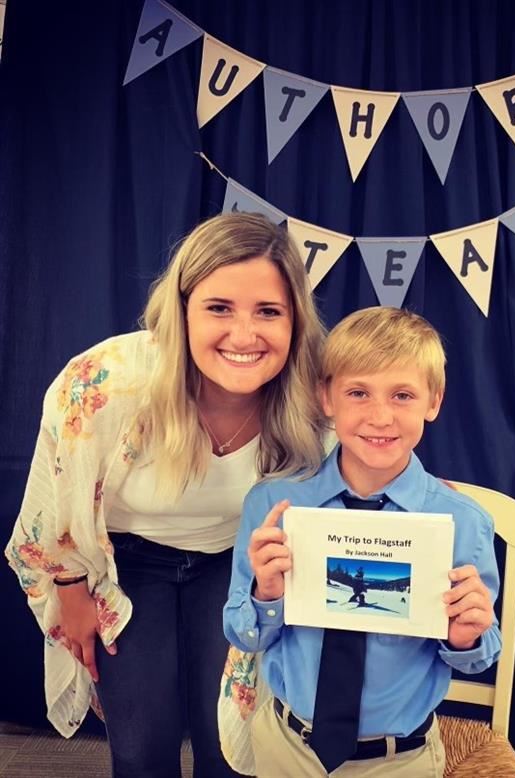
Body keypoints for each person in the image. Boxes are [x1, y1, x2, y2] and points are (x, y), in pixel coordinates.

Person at [5, 212, 327, 778]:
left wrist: (417, 495)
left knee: (230, 744)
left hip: (235, 562)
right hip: (127, 562)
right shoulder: (105, 383)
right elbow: (56, 499)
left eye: (269, 312)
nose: (245, 335)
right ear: (180, 311)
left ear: (295, 320)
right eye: (219, 308)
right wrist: (70, 589)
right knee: (141, 746)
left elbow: (373, 454)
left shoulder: (312, 395)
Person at [223, 306, 502, 777]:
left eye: (402, 395)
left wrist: (466, 635)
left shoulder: (462, 521)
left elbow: (479, 655)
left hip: (400, 760)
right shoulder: (274, 505)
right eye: (358, 392)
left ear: (433, 401)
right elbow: (241, 632)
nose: (379, 416)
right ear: (326, 397)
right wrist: (266, 594)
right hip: (286, 748)